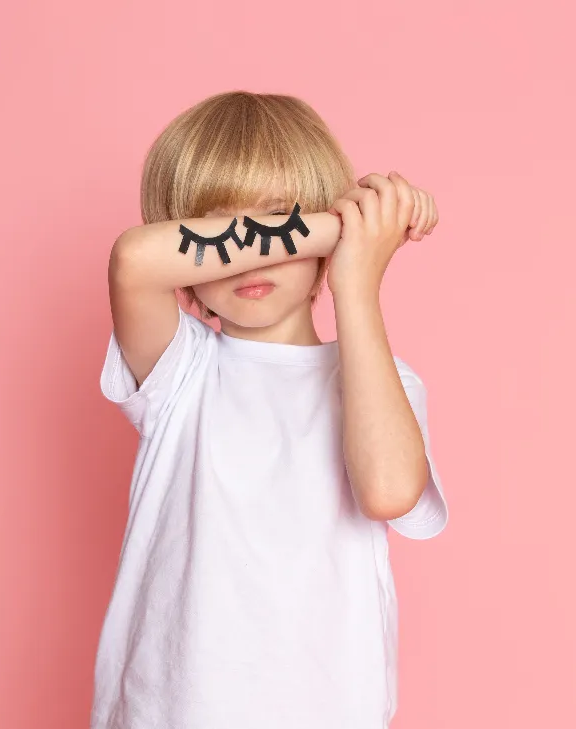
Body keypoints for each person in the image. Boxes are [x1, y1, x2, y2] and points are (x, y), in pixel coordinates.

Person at [92, 91, 448, 729]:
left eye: (276, 218)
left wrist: (356, 280)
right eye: (216, 221)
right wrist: (335, 226)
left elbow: (390, 492)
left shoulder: (378, 380)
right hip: (172, 712)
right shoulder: (182, 369)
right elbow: (134, 259)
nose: (257, 256)